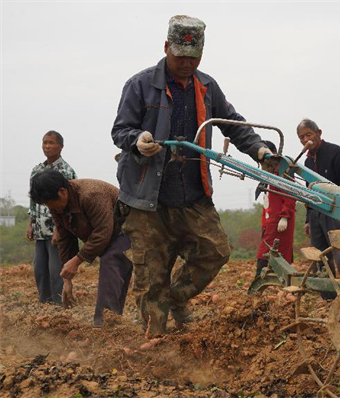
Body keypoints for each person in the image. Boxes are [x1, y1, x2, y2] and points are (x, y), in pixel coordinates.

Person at [111, 15, 271, 337]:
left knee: (215, 251)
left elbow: (232, 123)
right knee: (151, 275)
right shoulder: (140, 85)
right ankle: (155, 345)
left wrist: (260, 151)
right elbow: (120, 130)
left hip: (192, 193)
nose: (187, 63)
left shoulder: (207, 87)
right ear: (166, 47)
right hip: (147, 199)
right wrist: (137, 140)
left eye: (194, 57)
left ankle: (175, 297)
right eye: (180, 56)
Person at [29, 170, 133, 327]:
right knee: (111, 263)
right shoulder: (57, 206)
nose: (52, 209)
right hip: (107, 237)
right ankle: (109, 320)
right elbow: (65, 238)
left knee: (111, 262)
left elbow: (102, 233)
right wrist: (67, 279)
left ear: (62, 192)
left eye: (51, 204)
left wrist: (77, 261)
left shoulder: (91, 195)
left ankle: (105, 324)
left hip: (127, 230)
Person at [297, 119, 340, 287]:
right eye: (301, 138)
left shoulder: (335, 152)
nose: (305, 140)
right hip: (316, 213)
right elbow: (309, 193)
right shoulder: (307, 163)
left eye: (308, 135)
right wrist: (307, 220)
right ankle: (328, 295)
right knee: (319, 256)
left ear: (319, 133)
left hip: (336, 211)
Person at [27, 131, 77, 304]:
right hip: (40, 229)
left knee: (56, 269)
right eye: (44, 143)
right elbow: (33, 200)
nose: (47, 146)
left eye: (51, 143)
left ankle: (58, 305)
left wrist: (59, 228)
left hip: (57, 230)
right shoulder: (36, 170)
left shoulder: (66, 171)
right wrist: (30, 223)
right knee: (39, 269)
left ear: (61, 146)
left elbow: (70, 202)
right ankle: (44, 303)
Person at [255, 141, 296, 277]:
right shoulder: (268, 173)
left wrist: (285, 217)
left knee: (274, 253)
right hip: (270, 221)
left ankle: (267, 282)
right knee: (266, 251)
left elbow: (290, 195)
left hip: (280, 222)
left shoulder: (283, 171)